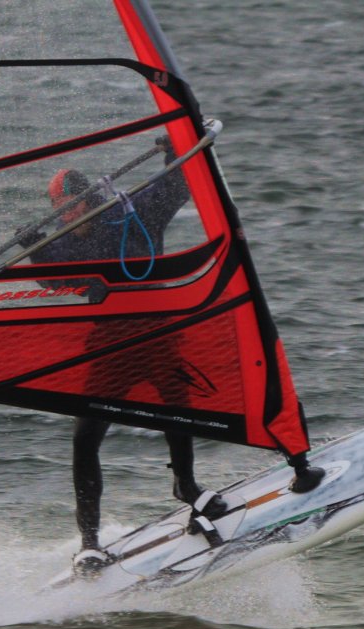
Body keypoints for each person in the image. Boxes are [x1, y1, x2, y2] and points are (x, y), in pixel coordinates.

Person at [23, 138, 323, 575]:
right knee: (85, 439)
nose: (70, 214)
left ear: (90, 198)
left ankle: (191, 486)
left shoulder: (132, 216)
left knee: (178, 413)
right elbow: (50, 282)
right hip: (110, 347)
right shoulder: (64, 244)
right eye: (61, 207)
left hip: (160, 335)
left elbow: (178, 184)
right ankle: (89, 544)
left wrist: (175, 150)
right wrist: (33, 247)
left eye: (74, 204)